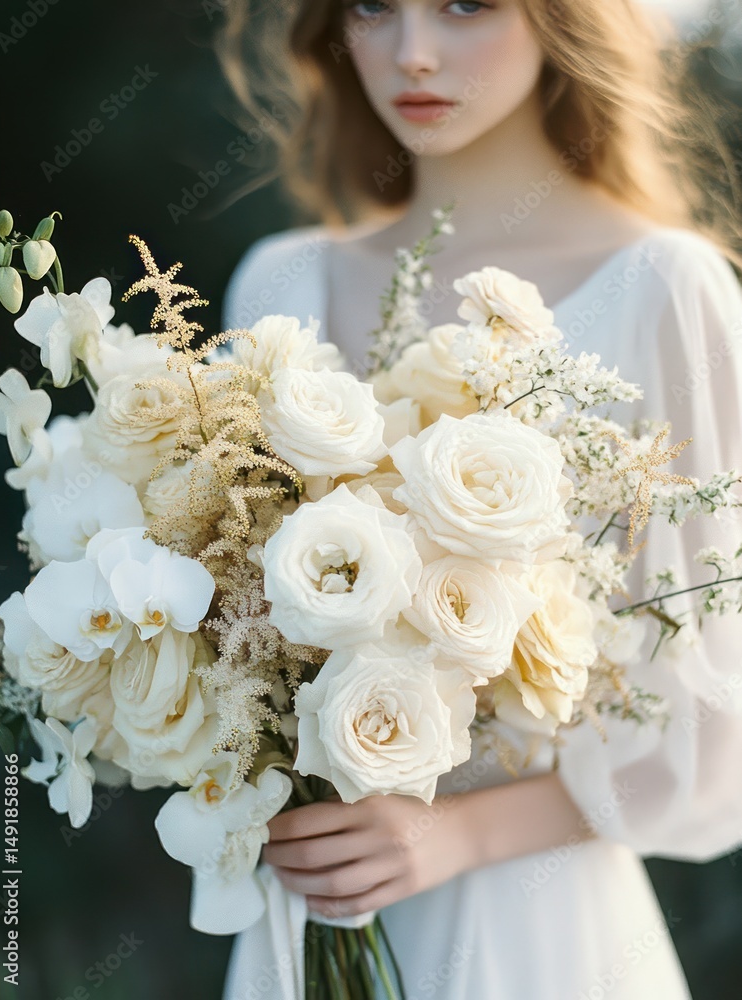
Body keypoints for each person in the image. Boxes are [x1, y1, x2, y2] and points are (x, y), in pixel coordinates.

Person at [218, 1, 742, 996]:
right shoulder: (276, 286)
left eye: (467, 4)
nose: (414, 52)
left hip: (538, 924)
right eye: (375, 6)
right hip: (313, 911)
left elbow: (716, 726)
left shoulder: (668, 288)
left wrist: (454, 831)